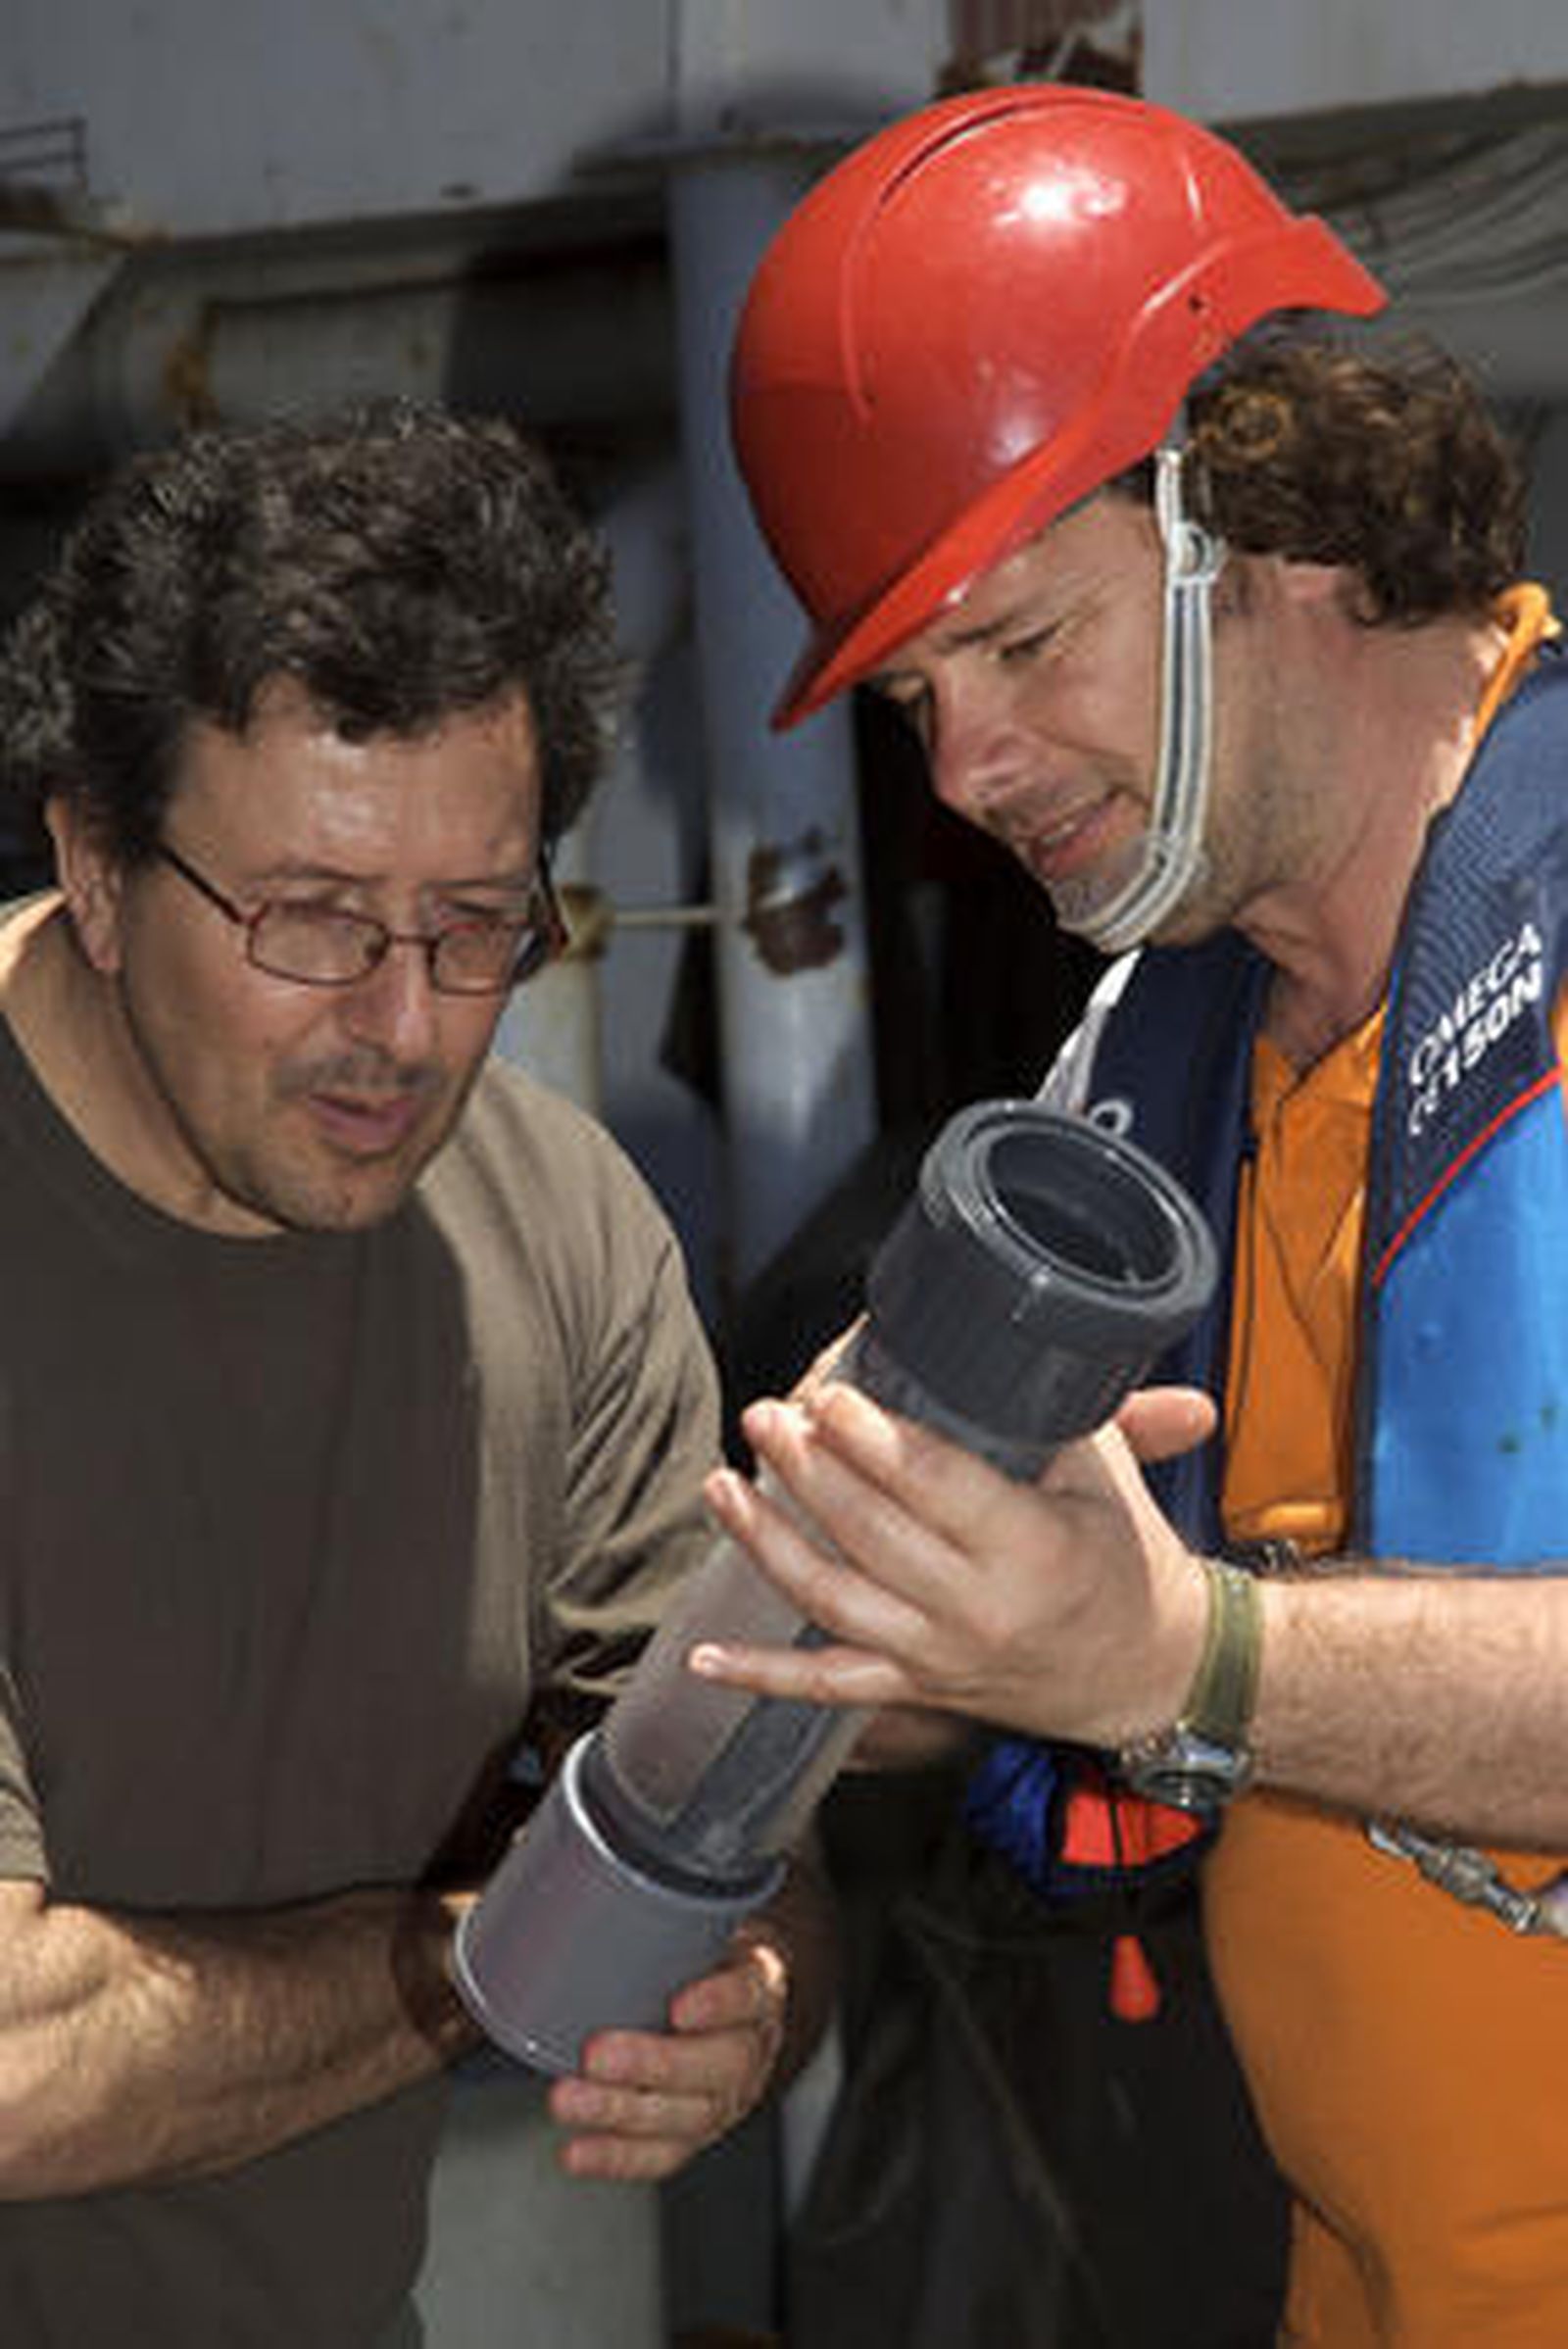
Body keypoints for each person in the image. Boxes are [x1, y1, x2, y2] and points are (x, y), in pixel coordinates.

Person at [697, 81, 1568, 2348]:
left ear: (1261, 519)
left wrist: (1181, 1659)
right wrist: (733, 1834)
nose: (956, 776)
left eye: (1011, 645)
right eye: (908, 696)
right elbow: (972, 1652)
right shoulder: (1142, 1071)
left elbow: (1150, 1655)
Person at [0, 399, 829, 2349]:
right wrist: (492, 1958)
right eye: (307, 920)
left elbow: (730, 1838)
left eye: (475, 926)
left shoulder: (558, 1232)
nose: (401, 1024)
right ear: (99, 868)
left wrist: (755, 1992)